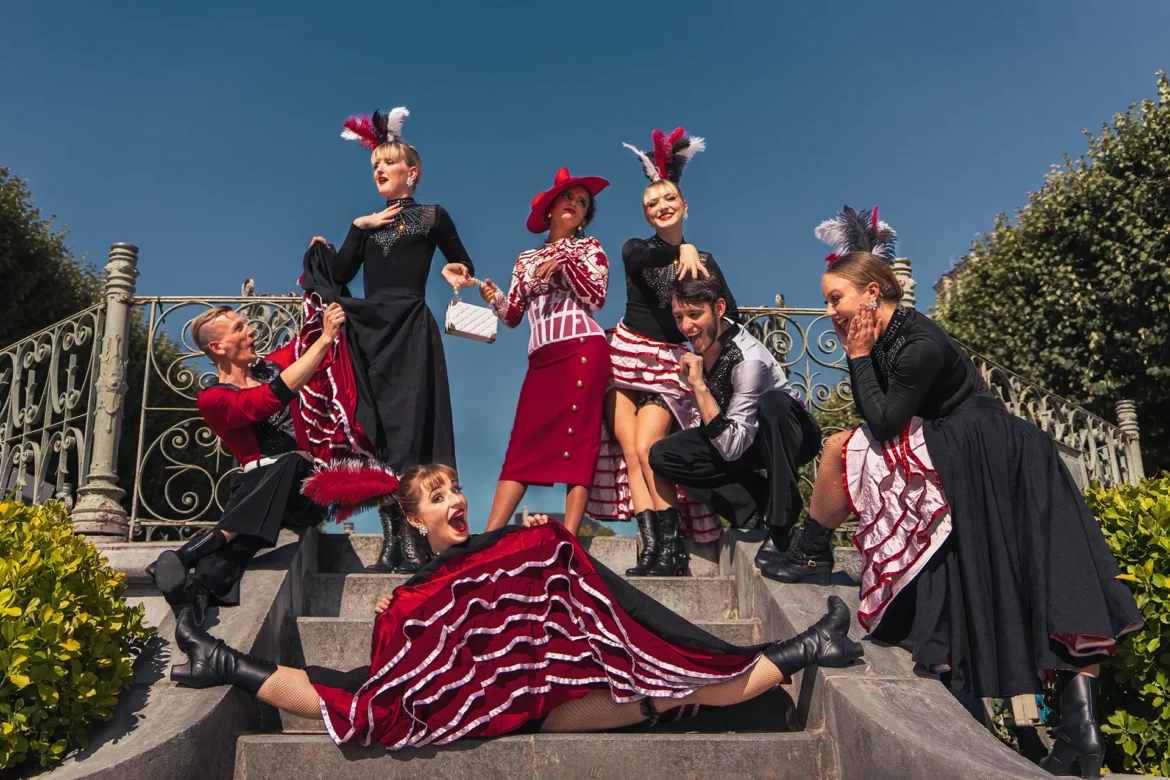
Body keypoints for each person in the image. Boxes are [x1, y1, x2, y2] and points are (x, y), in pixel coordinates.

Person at [767, 206, 1143, 779]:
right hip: (975, 450)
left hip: (997, 455)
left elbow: (887, 421)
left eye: (834, 298)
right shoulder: (887, 334)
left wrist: (859, 356)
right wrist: (863, 354)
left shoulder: (916, 340)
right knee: (1026, 579)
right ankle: (1077, 736)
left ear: (871, 292)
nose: (828, 311)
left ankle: (1080, 735)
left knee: (1053, 577)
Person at [169, 461, 864, 749]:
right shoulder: (410, 602)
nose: (456, 500)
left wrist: (541, 541)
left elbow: (547, 575)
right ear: (413, 521)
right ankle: (222, 661)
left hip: (556, 695)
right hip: (511, 707)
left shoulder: (499, 547)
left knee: (670, 678)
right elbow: (371, 692)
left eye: (454, 489)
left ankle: (808, 648)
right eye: (438, 497)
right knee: (357, 696)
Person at [303, 105, 476, 574]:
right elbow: (335, 278)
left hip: (411, 330)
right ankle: (390, 543)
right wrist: (355, 229)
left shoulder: (433, 216)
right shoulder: (365, 225)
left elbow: (464, 263)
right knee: (377, 435)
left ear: (411, 173)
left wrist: (454, 270)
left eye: (388, 163)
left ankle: (416, 544)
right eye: (374, 165)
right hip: (370, 332)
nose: (379, 169)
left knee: (413, 432)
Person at [589, 128, 742, 577]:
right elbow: (643, 262)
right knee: (629, 453)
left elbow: (726, 315)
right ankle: (650, 551)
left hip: (666, 363)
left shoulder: (705, 261)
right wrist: (683, 248)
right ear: (646, 212)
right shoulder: (635, 249)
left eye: (668, 199)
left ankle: (671, 550)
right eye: (652, 203)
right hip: (624, 356)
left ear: (684, 204)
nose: (661, 206)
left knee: (648, 445)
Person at [145, 303, 347, 624]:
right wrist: (323, 340)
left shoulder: (273, 366)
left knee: (292, 462)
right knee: (242, 540)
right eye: (239, 328)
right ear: (218, 347)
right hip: (260, 493)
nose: (251, 331)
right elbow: (266, 401)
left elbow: (306, 344)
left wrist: (328, 314)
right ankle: (194, 606)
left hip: (304, 494)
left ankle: (196, 549)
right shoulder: (212, 399)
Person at [646, 276, 820, 568]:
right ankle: (753, 507)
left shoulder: (748, 359)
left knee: (772, 403)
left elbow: (732, 447)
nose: (686, 326)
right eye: (679, 317)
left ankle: (781, 525)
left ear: (719, 308)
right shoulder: (699, 347)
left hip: (788, 433)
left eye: (694, 314)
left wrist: (699, 386)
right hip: (742, 436)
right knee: (662, 455)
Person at [476, 168, 611, 535]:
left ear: (584, 217)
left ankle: (569, 536)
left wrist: (566, 268)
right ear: (551, 208)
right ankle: (488, 538)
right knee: (521, 445)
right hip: (541, 359)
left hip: (583, 349)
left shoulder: (589, 249)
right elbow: (514, 317)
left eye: (582, 203)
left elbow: (596, 299)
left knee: (580, 441)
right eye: (569, 197)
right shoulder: (524, 260)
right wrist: (496, 299)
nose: (575, 204)